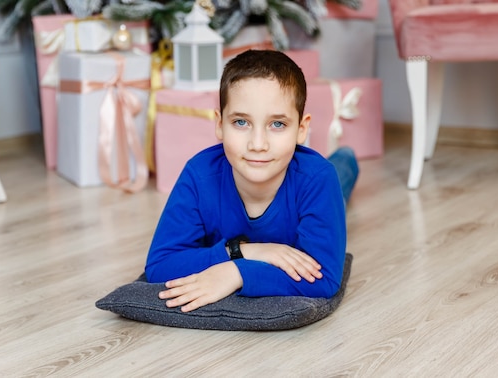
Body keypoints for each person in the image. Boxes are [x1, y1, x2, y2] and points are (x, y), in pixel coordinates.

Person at [145, 49, 359, 312]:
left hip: (322, 179)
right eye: (241, 122)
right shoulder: (198, 175)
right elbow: (159, 265)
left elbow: (324, 278)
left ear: (301, 130)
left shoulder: (318, 179)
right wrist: (246, 252)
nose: (258, 144)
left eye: (277, 124)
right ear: (219, 124)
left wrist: (236, 273)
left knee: (339, 174)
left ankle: (346, 157)